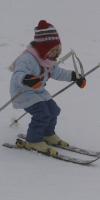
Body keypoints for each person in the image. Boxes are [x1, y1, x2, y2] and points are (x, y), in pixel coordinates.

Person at [9, 20, 86, 155]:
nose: (56, 54)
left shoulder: (47, 59)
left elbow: (57, 72)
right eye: (53, 50)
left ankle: (47, 133)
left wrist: (74, 76)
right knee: (42, 113)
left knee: (53, 110)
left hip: (38, 92)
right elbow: (17, 75)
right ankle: (34, 140)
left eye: (58, 50)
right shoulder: (27, 59)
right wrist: (28, 79)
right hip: (23, 92)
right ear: (44, 48)